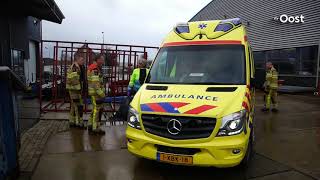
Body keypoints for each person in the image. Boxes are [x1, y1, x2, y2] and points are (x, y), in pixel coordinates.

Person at [87, 54, 105, 134]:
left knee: (95, 110)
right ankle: (95, 128)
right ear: (98, 59)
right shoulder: (95, 69)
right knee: (96, 110)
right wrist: (102, 94)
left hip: (95, 93)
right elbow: (95, 84)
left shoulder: (95, 67)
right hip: (96, 93)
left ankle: (91, 125)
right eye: (102, 59)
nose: (103, 61)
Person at [66, 54, 85, 128]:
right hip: (75, 90)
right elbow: (74, 80)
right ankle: (78, 123)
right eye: (81, 60)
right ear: (77, 59)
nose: (83, 61)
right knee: (78, 106)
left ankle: (71, 121)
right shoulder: (75, 67)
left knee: (74, 106)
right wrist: (79, 89)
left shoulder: (78, 67)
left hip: (75, 89)